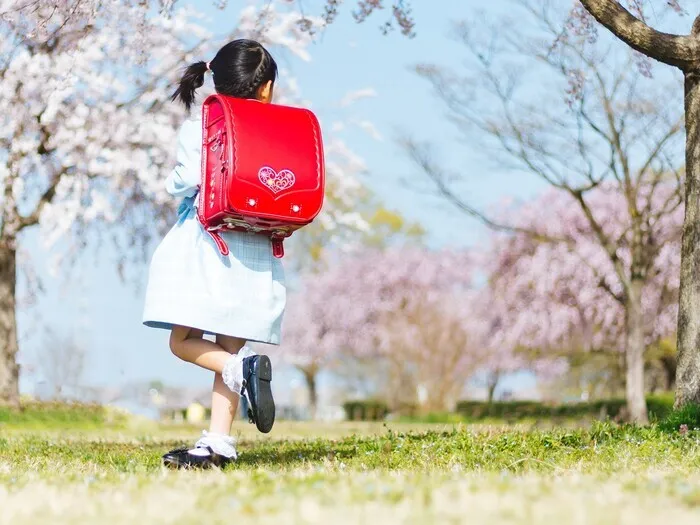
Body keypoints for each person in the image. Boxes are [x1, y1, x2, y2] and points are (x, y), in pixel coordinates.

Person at [142, 39, 286, 469]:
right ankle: (219, 442)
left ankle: (238, 375)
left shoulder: (202, 126)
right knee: (231, 346)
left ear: (218, 85)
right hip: (257, 247)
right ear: (266, 88)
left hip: (210, 245)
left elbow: (184, 181)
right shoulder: (276, 126)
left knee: (182, 340)